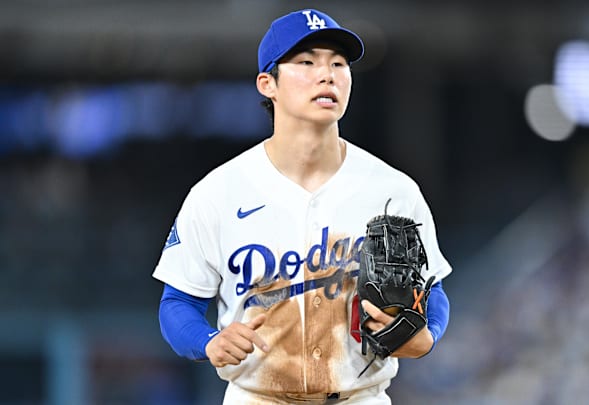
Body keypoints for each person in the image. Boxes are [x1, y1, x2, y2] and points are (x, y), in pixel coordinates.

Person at [152, 8, 452, 404]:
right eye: (307, 62)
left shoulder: (393, 190)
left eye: (339, 63)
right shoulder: (218, 193)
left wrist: (427, 337)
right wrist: (209, 341)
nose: (327, 74)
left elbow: (433, 291)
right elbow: (178, 303)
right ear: (267, 84)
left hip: (359, 397)